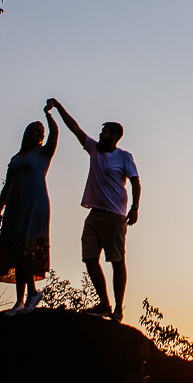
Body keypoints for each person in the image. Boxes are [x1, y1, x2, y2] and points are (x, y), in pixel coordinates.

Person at [45, 97, 140, 321]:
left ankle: (118, 309)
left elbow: (135, 181)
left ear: (115, 137)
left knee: (117, 260)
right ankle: (104, 304)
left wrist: (135, 207)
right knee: (89, 258)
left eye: (105, 132)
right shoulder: (94, 150)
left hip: (115, 216)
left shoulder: (124, 157)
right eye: (101, 131)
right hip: (94, 213)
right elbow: (74, 128)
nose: (101, 135)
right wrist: (58, 107)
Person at [0, 106, 58, 315]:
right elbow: (7, 186)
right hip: (15, 207)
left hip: (35, 204)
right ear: (27, 134)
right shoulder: (15, 159)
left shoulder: (43, 154)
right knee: (16, 249)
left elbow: (55, 134)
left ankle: (32, 293)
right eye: (36, 130)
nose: (40, 134)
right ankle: (21, 300)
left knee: (25, 248)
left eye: (42, 132)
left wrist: (49, 115)